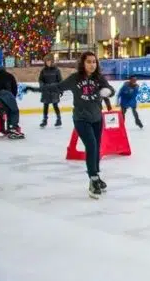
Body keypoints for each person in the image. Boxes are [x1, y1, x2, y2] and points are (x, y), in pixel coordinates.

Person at [25, 52, 115, 199]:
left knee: (97, 148)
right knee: (91, 146)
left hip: (97, 119)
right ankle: (92, 180)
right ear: (83, 64)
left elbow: (111, 90)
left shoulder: (99, 78)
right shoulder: (75, 79)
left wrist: (108, 91)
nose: (92, 65)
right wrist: (35, 89)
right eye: (89, 62)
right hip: (81, 119)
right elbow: (56, 86)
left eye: (94, 62)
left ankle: (96, 176)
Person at [0, 66, 23, 138]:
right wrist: (13, 97)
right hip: (6, 93)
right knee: (14, 110)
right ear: (5, 70)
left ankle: (10, 128)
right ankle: (13, 128)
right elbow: (14, 87)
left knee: (8, 111)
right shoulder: (9, 76)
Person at [38, 54, 63, 128]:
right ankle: (44, 120)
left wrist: (60, 90)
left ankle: (59, 119)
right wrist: (42, 85)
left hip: (54, 90)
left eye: (49, 61)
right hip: (46, 90)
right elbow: (40, 79)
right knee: (45, 105)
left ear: (52, 61)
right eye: (46, 61)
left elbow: (60, 80)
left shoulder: (56, 70)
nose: (48, 62)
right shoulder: (43, 71)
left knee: (55, 105)